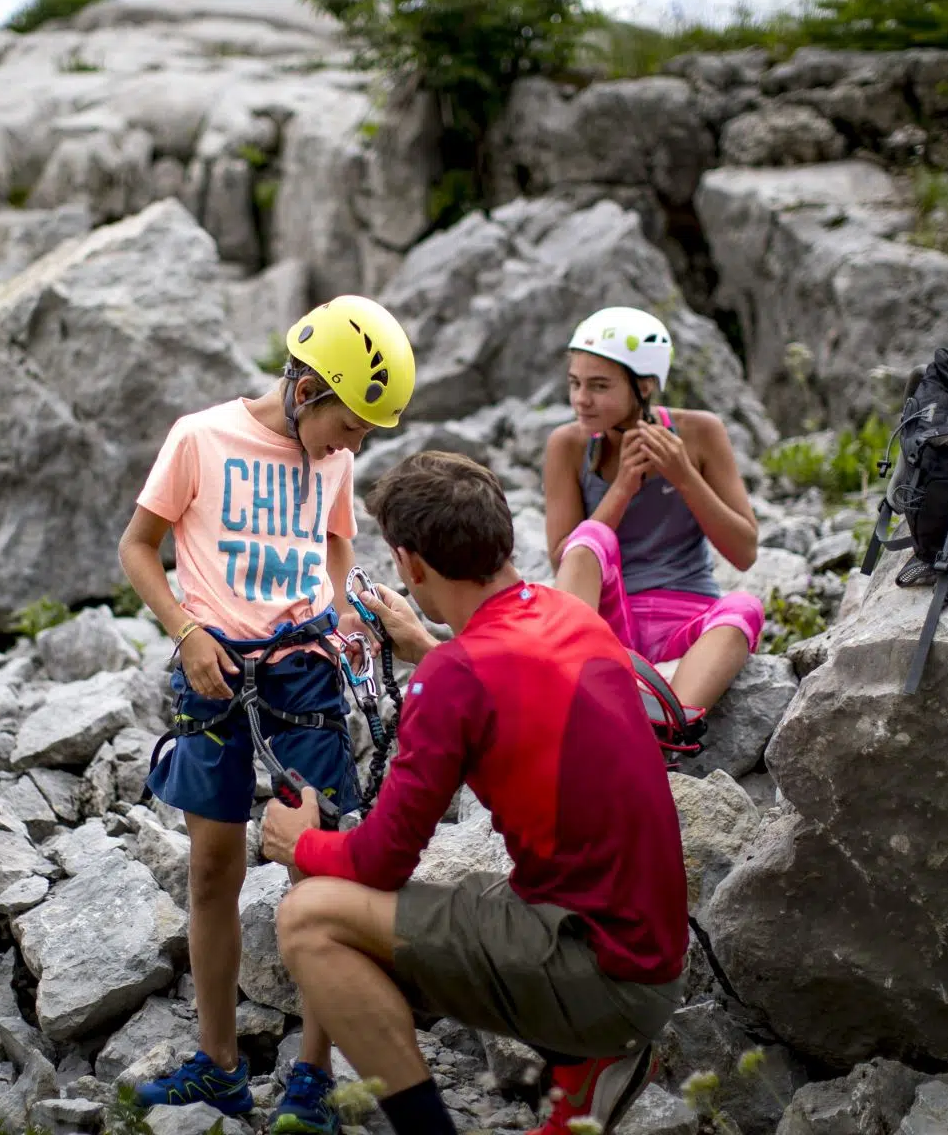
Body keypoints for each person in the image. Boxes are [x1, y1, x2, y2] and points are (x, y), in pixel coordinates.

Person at [260, 450, 689, 1135]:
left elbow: (380, 862)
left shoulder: (456, 679)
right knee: (454, 898)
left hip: (603, 974)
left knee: (310, 916)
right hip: (647, 950)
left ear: (412, 565)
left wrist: (300, 841)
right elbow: (510, 689)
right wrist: (431, 646)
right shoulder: (569, 615)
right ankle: (581, 1065)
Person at [116, 295, 416, 1135]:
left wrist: (335, 606)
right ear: (306, 386)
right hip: (212, 675)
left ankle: (312, 1079)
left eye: (363, 435)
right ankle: (218, 1068)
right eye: (350, 425)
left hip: (304, 677)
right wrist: (186, 632)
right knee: (214, 871)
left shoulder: (335, 462)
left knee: (320, 872)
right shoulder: (200, 438)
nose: (352, 445)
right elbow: (138, 547)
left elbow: (335, 539)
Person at [544, 305, 763, 728]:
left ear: (644, 386)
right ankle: (565, 676)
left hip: (688, 618)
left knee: (745, 606)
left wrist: (684, 476)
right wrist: (623, 487)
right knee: (590, 533)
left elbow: (745, 552)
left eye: (599, 386)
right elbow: (564, 559)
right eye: (575, 384)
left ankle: (669, 723)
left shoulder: (700, 432)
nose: (580, 399)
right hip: (610, 624)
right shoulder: (568, 445)